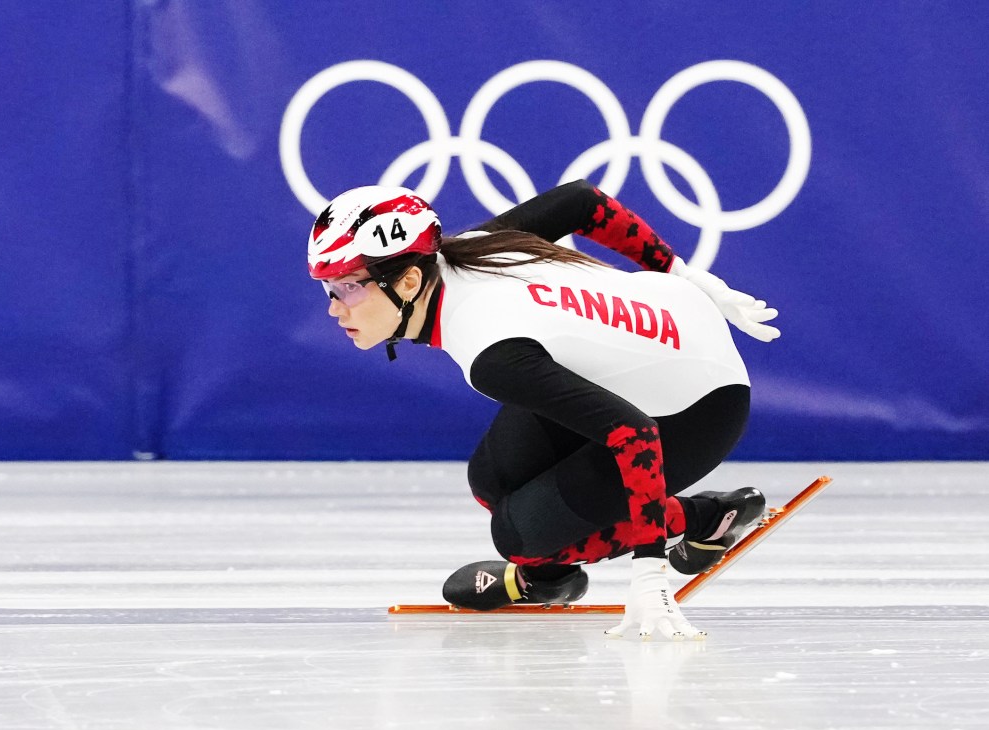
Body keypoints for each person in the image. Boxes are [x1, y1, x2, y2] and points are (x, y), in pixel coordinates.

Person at [307, 180, 780, 640]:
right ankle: (554, 579)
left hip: (697, 408)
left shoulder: (489, 352)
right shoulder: (471, 248)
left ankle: (705, 518)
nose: (334, 308)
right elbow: (581, 201)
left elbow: (633, 434)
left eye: (348, 287)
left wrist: (649, 575)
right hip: (643, 354)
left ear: (409, 280)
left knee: (519, 537)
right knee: (492, 479)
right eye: (329, 289)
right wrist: (679, 272)